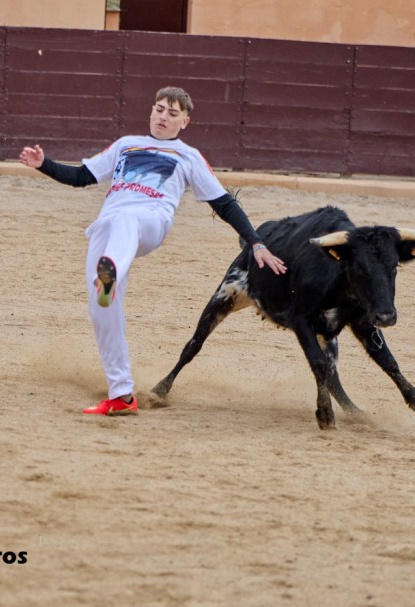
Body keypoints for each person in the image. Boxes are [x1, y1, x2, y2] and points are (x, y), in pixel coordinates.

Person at [20, 86, 286, 416]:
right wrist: (43, 164)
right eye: (159, 109)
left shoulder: (188, 156)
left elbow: (224, 204)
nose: (163, 117)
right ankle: (121, 395)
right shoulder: (126, 144)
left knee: (125, 219)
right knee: (101, 306)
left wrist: (256, 242)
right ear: (151, 111)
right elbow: (81, 176)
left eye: (172, 113)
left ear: (185, 121)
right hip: (109, 227)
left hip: (149, 221)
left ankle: (111, 271)